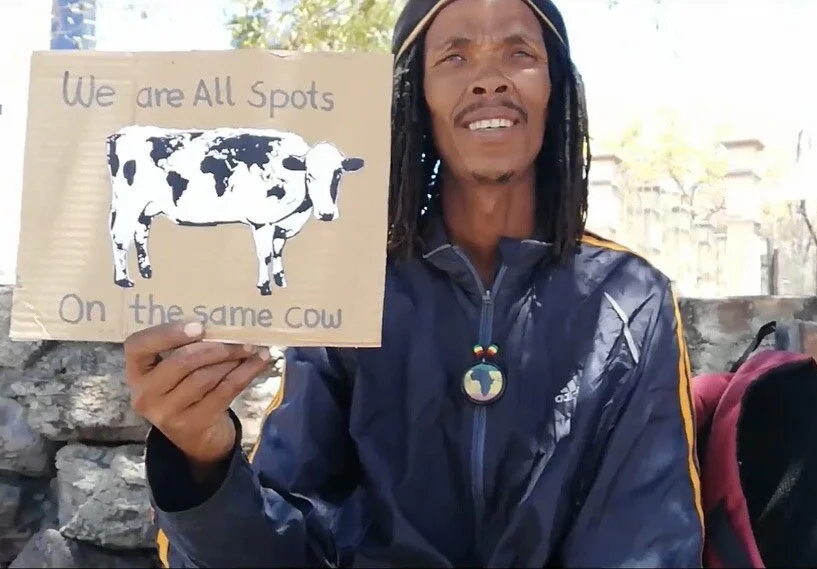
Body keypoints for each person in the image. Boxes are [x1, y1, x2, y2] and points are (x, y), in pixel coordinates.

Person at [128, 0, 705, 566]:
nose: (488, 78)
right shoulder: (350, 288)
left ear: (555, 88)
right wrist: (201, 462)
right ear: (414, 96)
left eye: (519, 53)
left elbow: (647, 541)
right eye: (455, 57)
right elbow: (286, 544)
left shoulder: (630, 300)